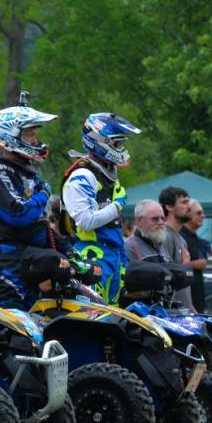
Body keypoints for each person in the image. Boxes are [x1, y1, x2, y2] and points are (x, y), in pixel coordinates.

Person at [0, 100, 62, 309]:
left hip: (34, 260)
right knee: (15, 327)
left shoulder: (28, 174)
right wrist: (43, 193)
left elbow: (41, 225)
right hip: (10, 262)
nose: (35, 140)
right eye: (30, 135)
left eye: (34, 135)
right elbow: (19, 213)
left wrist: (69, 253)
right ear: (12, 135)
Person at [59, 112, 142, 305]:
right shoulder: (83, 175)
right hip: (90, 253)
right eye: (116, 144)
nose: (120, 149)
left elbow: (113, 225)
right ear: (99, 140)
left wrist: (122, 258)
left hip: (112, 251)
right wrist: (117, 205)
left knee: (113, 311)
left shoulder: (107, 171)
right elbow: (85, 221)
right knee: (93, 312)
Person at [126, 199, 194, 310]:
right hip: (139, 317)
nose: (161, 223)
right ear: (139, 221)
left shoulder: (161, 247)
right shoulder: (129, 247)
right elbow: (124, 288)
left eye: (163, 218)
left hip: (162, 314)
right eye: (155, 219)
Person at [179, 199, 212, 312]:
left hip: (198, 298)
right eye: (198, 213)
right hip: (185, 301)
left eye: (203, 213)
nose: (202, 216)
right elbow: (174, 265)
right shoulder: (180, 237)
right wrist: (194, 264)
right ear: (187, 214)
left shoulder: (196, 239)